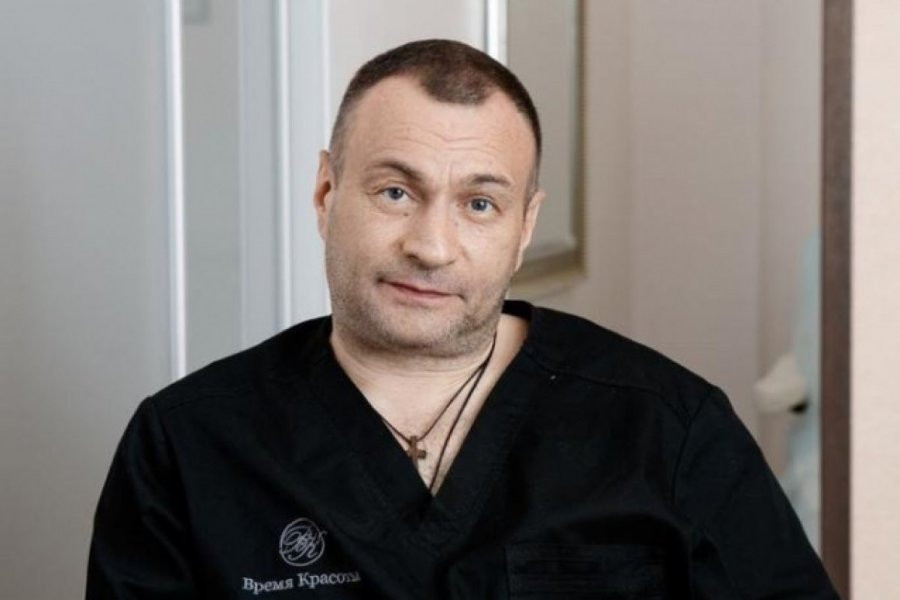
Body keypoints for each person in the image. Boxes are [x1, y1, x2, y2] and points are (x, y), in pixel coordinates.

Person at [87, 39, 838, 599]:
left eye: (479, 204)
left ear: (524, 226)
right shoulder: (189, 444)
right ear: (325, 193)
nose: (432, 246)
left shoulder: (669, 430)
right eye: (395, 192)